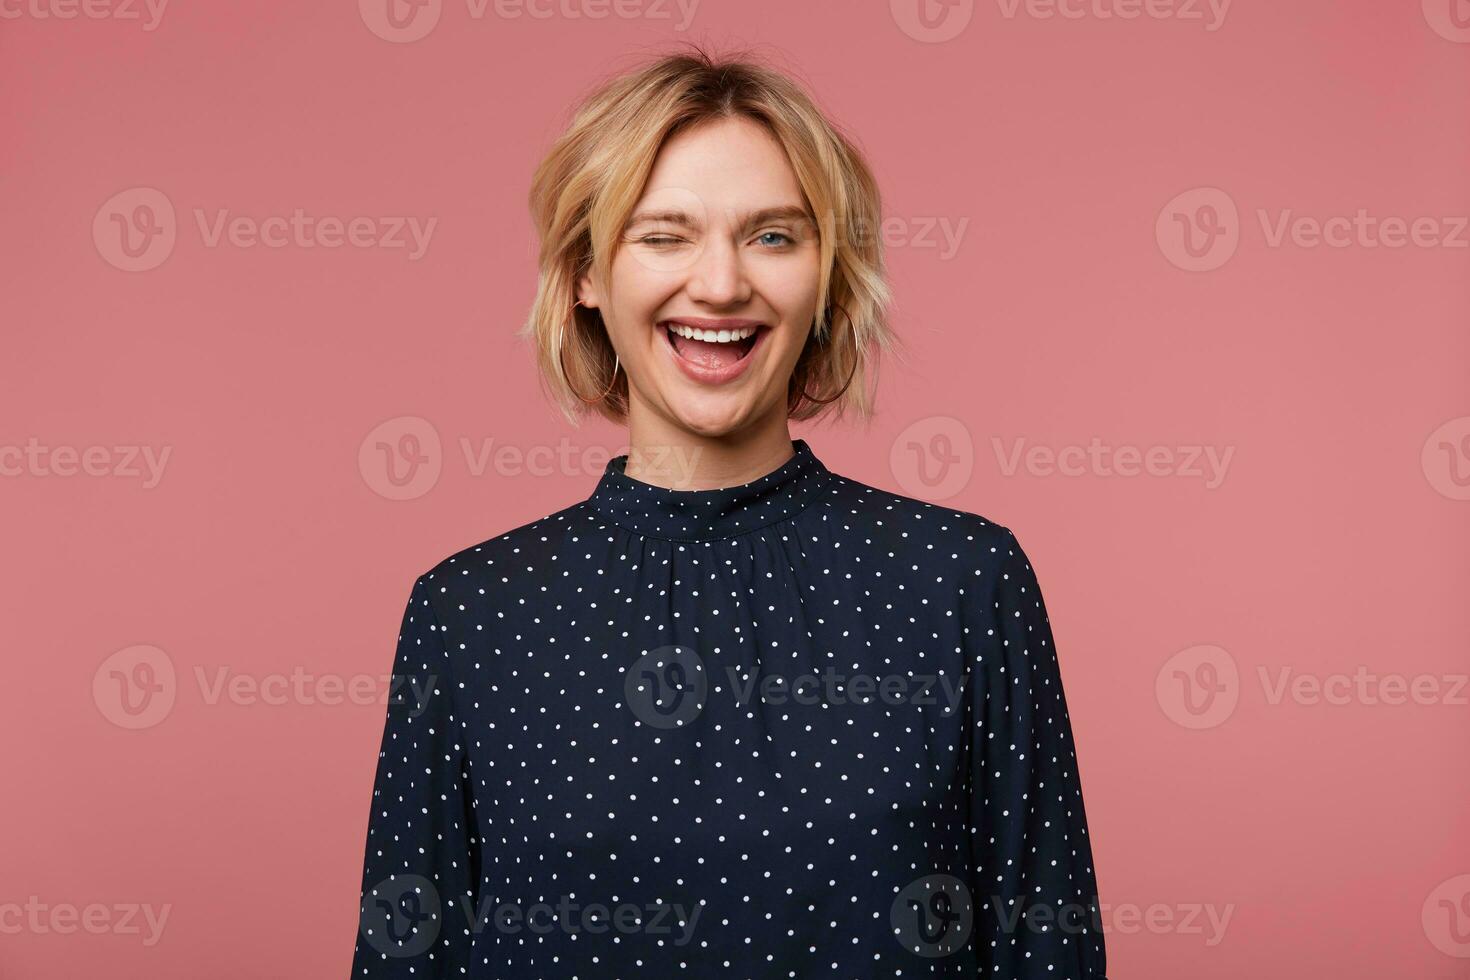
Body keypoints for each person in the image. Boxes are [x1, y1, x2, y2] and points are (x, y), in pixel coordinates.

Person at [349, 44, 1107, 979]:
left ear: (830, 276)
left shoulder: (961, 582)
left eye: (774, 236)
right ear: (588, 274)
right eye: (664, 235)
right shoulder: (468, 614)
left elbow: (1050, 948)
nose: (719, 285)